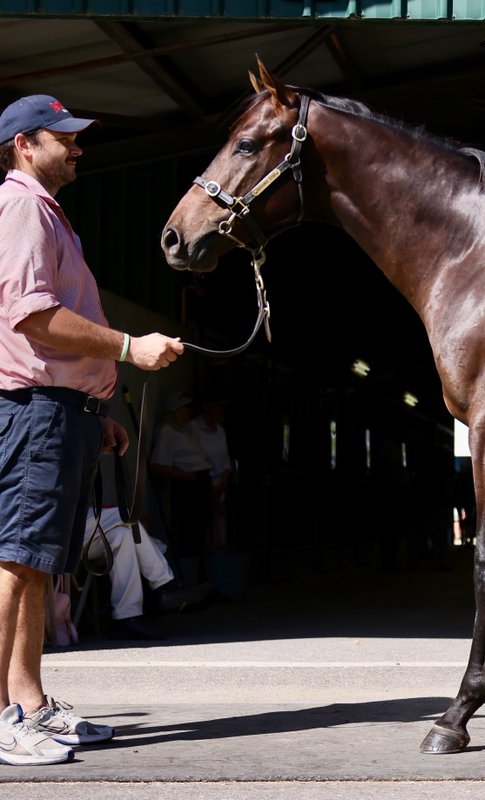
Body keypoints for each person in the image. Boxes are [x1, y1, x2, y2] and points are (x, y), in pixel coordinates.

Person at [0, 94, 184, 765]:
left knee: (39, 565)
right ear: (26, 144)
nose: (77, 148)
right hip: (35, 411)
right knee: (16, 563)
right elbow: (33, 317)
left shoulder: (46, 212)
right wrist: (129, 349)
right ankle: (2, 715)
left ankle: (29, 704)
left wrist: (91, 408)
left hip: (57, 411)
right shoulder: (21, 206)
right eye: (64, 138)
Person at [82, 505, 210, 641]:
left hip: (82, 531)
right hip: (64, 530)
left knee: (123, 535)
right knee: (125, 514)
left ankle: (126, 618)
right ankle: (164, 584)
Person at [150, 392, 212, 563]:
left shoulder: (189, 428)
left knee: (202, 529)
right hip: (187, 483)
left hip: (200, 479)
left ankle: (199, 570)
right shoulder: (166, 431)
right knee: (187, 530)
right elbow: (158, 465)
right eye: (184, 409)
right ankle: (186, 571)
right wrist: (185, 475)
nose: (188, 413)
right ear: (175, 411)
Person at [190, 396, 232, 551]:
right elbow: (195, 458)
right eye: (217, 405)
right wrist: (211, 487)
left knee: (218, 533)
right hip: (201, 485)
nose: (220, 410)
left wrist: (220, 486)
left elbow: (226, 463)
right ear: (206, 406)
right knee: (202, 532)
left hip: (219, 488)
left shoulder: (220, 431)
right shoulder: (194, 427)